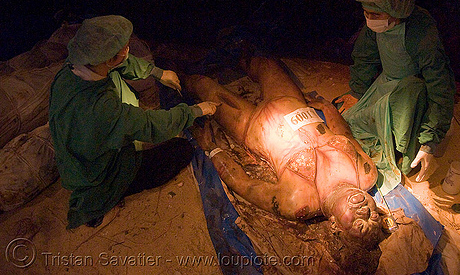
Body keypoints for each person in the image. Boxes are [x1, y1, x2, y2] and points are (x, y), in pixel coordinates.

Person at [186, 57, 385, 244]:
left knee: (202, 86)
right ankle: (235, 53)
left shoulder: (299, 203)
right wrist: (328, 109)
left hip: (252, 126)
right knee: (265, 64)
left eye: (358, 224)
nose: (364, 211)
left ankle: (177, 75)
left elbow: (244, 184)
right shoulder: (366, 173)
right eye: (373, 215)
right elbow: (347, 138)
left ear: (336, 226)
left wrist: (211, 148)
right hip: (292, 102)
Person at [49, 15, 219, 229]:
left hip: (79, 150)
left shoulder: (74, 68)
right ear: (109, 59)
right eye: (124, 48)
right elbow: (150, 125)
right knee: (181, 150)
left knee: (120, 86)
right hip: (97, 171)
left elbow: (120, 64)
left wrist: (157, 73)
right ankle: (106, 195)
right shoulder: (100, 108)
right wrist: (194, 111)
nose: (128, 50)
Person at [335, 0, 455, 193]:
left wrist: (430, 141)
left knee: (406, 154)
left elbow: (440, 86)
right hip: (386, 82)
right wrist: (358, 91)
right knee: (349, 123)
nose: (370, 19)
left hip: (414, 91)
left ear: (397, 12)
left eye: (376, 14)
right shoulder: (375, 25)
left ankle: (407, 143)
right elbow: (365, 56)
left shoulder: (421, 33)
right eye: (366, 13)